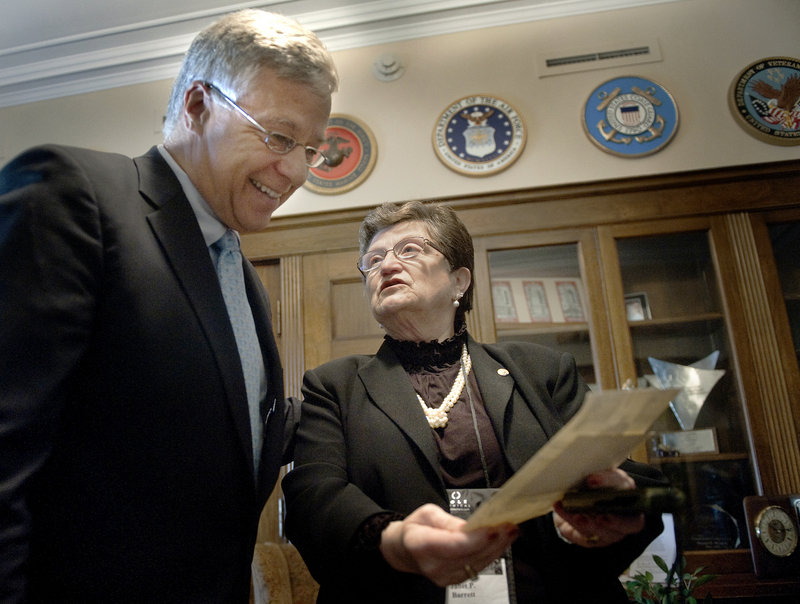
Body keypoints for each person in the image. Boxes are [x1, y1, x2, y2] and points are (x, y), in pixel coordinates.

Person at [0, 9, 337, 603]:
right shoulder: (77, 195)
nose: (298, 171)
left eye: (312, 148)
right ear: (199, 104)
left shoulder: (238, 273)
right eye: (280, 138)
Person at [282, 200, 668, 603]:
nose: (387, 266)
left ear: (459, 281)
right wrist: (394, 540)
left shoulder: (543, 370)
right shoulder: (333, 385)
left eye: (409, 250)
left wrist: (611, 506)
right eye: (373, 259)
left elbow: (632, 483)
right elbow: (313, 499)